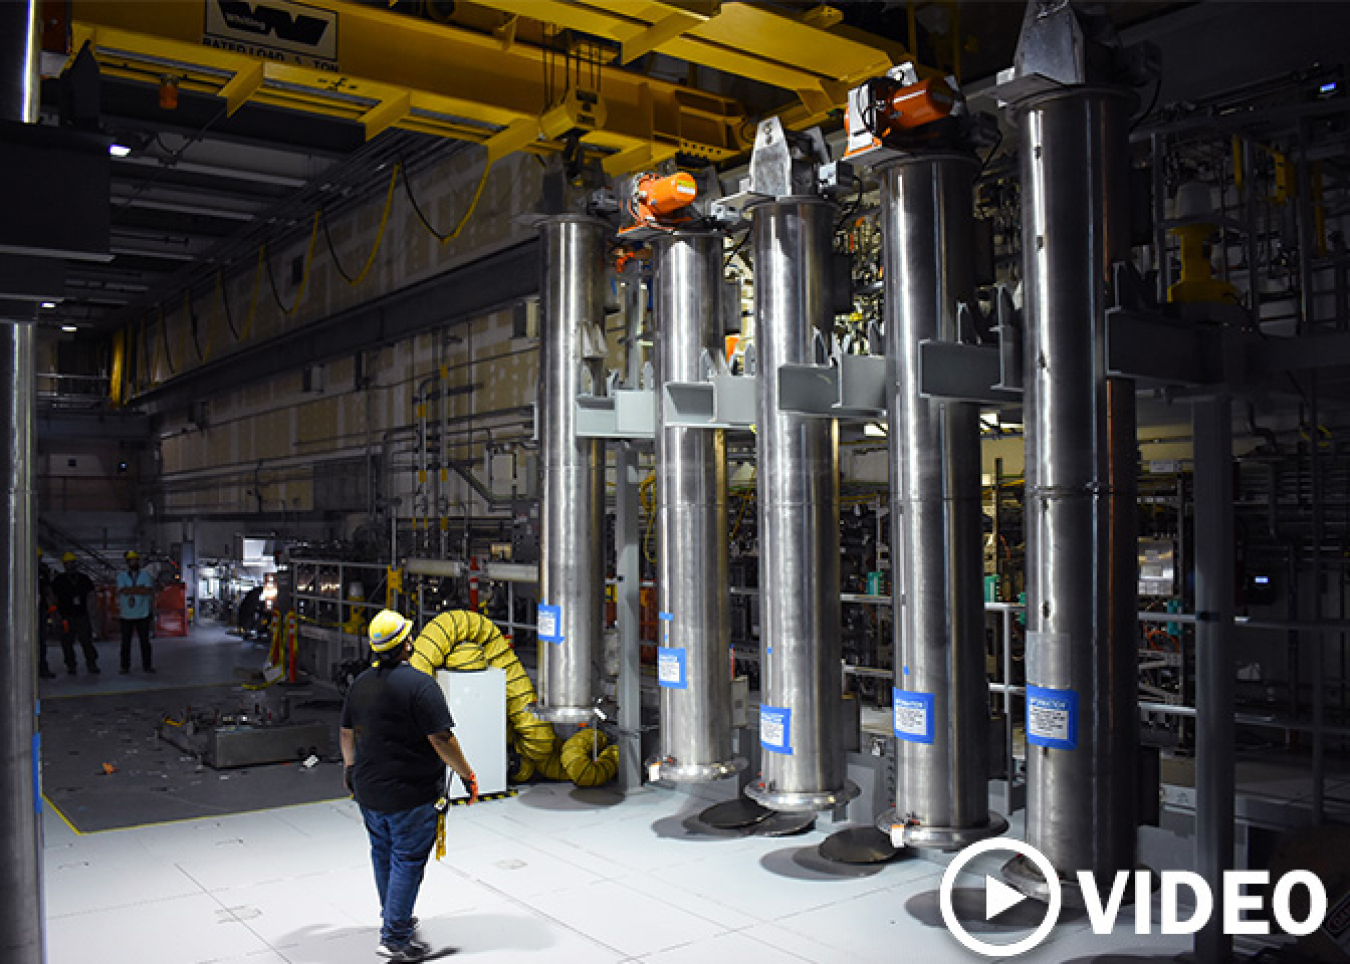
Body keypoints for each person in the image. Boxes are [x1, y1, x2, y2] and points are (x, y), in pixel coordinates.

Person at [340, 609, 478, 962]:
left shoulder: (359, 684)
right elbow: (441, 738)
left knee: (383, 853)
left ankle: (394, 917)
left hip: (368, 790)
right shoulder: (421, 686)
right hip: (410, 794)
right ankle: (395, 938)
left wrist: (350, 768)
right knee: (407, 859)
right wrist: (466, 774)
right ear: (406, 644)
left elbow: (345, 731)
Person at [51, 552, 98, 675]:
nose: (70, 566)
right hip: (66, 616)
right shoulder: (59, 581)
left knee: (86, 641)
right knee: (67, 642)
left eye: (72, 563)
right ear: (64, 565)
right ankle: (71, 665)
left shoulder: (84, 579)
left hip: (82, 615)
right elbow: (53, 598)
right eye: (67, 563)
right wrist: (55, 615)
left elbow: (91, 596)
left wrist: (92, 614)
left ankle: (91, 663)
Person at [117, 550, 156, 674]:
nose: (133, 562)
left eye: (135, 560)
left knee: (145, 643)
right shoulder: (121, 576)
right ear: (128, 562)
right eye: (131, 561)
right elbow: (123, 591)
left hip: (143, 614)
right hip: (126, 615)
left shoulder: (145, 575)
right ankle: (124, 666)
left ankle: (147, 665)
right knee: (125, 643)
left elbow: (148, 591)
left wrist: (131, 590)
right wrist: (140, 589)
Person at [37, 549, 54, 679]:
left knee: (41, 640)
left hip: (40, 609)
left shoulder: (43, 571)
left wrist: (51, 607)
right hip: (25, 611)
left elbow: (48, 591)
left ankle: (42, 667)